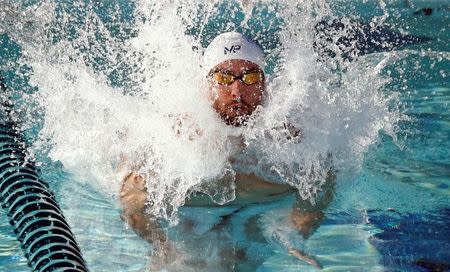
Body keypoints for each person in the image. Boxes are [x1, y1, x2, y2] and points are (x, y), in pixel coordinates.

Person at [119, 32, 334, 269]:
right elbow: (131, 192)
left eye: (250, 77)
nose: (237, 92)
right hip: (188, 215)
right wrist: (161, 245)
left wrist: (297, 233)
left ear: (264, 84)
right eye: (224, 77)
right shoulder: (178, 138)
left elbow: (322, 179)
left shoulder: (285, 141)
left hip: (260, 212)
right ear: (207, 84)